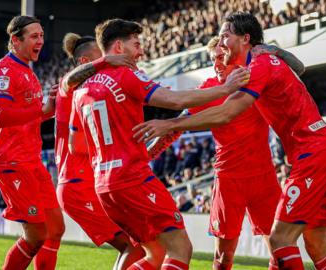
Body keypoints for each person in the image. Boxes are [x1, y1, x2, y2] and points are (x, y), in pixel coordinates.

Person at [133, 12, 326, 270]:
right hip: (234, 176)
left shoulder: (253, 72)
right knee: (315, 245)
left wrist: (168, 121)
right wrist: (147, 155)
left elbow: (225, 113)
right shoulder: (223, 83)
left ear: (245, 39)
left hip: (282, 168)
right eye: (213, 57)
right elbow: (181, 120)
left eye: (225, 38)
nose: (218, 58)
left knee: (279, 242)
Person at [68, 18, 248, 270]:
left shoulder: (80, 90)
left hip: (104, 184)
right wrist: (225, 89)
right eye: (136, 44)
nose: (141, 51)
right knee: (180, 248)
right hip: (132, 177)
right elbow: (174, 100)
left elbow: (76, 147)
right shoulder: (126, 74)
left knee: (154, 253)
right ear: (119, 47)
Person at [146, 36, 305, 270]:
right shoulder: (210, 88)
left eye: (220, 57)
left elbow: (297, 72)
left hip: (264, 178)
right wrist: (148, 155)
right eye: (212, 60)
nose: (216, 64)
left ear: (233, 56)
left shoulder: (256, 79)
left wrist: (273, 50)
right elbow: (178, 126)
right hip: (228, 181)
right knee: (223, 258)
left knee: (279, 250)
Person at [56, 32, 145, 270]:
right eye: (101, 56)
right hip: (78, 185)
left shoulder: (90, 89)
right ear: (86, 63)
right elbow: (78, 146)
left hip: (89, 182)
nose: (108, 59)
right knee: (135, 247)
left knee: (141, 244)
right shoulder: (73, 86)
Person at [0, 15, 64, 270]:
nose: (41, 41)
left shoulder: (28, 72)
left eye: (42, 35)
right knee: (36, 235)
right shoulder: (4, 71)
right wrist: (42, 109)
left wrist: (51, 108)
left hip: (32, 161)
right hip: (12, 162)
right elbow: (4, 116)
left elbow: (32, 116)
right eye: (34, 36)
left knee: (55, 228)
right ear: (15, 39)